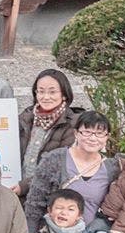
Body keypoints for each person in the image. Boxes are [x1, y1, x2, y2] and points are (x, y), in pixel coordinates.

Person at [16, 69, 80, 197]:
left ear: (64, 94)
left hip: (47, 196)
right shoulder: (26, 117)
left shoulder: (72, 125)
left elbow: (57, 167)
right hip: (16, 189)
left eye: (52, 92)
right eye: (41, 91)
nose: (46, 97)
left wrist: (23, 187)